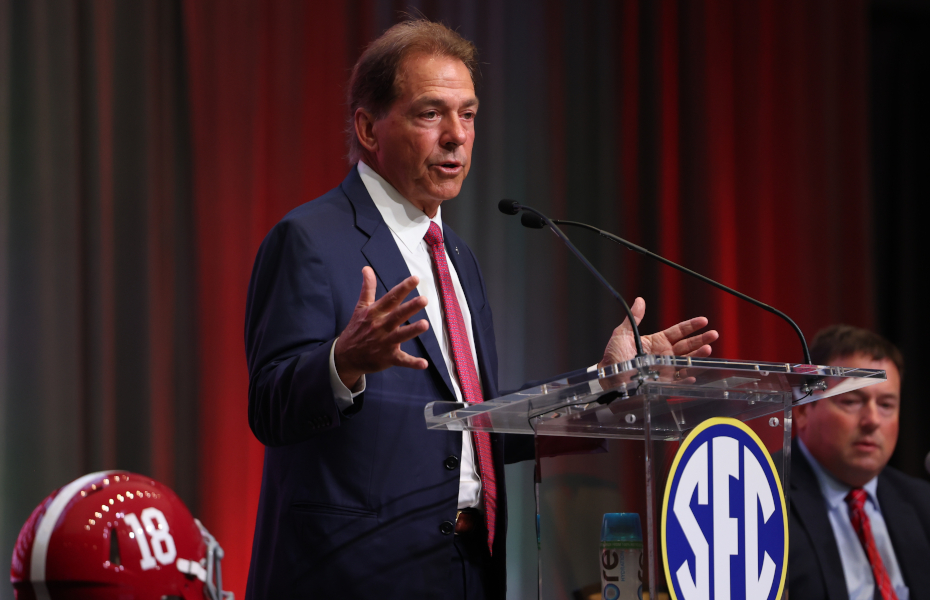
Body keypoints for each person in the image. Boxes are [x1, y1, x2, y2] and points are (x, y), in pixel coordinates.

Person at [243, 19, 717, 599]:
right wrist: (343, 361)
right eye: (429, 113)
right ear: (368, 126)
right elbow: (268, 406)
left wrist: (607, 384)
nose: (456, 136)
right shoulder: (310, 239)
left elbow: (479, 426)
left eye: (467, 114)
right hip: (355, 577)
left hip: (469, 569)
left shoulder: (457, 257)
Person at [789, 325, 930, 600]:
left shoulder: (922, 503)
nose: (872, 421)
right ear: (804, 410)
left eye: (887, 405)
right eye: (852, 401)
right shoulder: (760, 496)